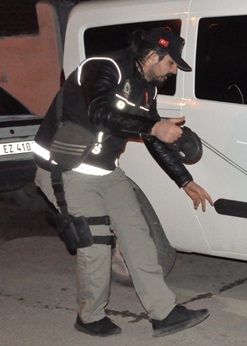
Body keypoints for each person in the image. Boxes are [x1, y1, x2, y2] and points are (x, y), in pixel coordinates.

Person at [33, 27, 214, 337]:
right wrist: (154, 127)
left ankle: (164, 313)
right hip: (68, 169)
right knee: (96, 246)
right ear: (154, 56)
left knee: (138, 237)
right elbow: (101, 113)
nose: (172, 72)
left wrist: (185, 181)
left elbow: (152, 136)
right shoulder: (104, 67)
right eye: (171, 64)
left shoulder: (147, 90)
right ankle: (89, 316)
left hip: (107, 171)